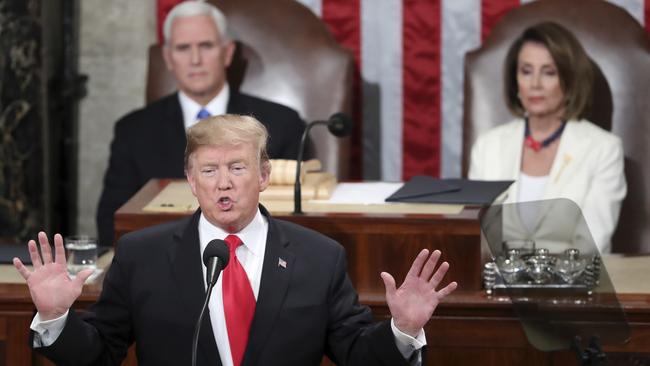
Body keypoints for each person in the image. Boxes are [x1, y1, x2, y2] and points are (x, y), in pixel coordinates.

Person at [15, 114, 458, 366]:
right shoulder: (141, 255)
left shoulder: (317, 258)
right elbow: (99, 355)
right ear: (191, 179)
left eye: (238, 168)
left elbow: (358, 356)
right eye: (209, 170)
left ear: (264, 175)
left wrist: (403, 330)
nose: (223, 184)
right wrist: (55, 318)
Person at [96, 1, 306, 247]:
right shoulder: (133, 131)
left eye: (205, 46)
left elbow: (293, 223)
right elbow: (111, 224)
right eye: (183, 48)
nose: (195, 59)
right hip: (163, 265)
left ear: (227, 52)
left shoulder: (280, 124)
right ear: (168, 57)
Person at [469, 22, 626, 253]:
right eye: (526, 71)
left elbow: (593, 243)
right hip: (497, 283)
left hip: (573, 285)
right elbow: (478, 237)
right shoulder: (488, 146)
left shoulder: (604, 149)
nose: (535, 84)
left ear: (570, 79)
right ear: (516, 81)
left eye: (549, 72)